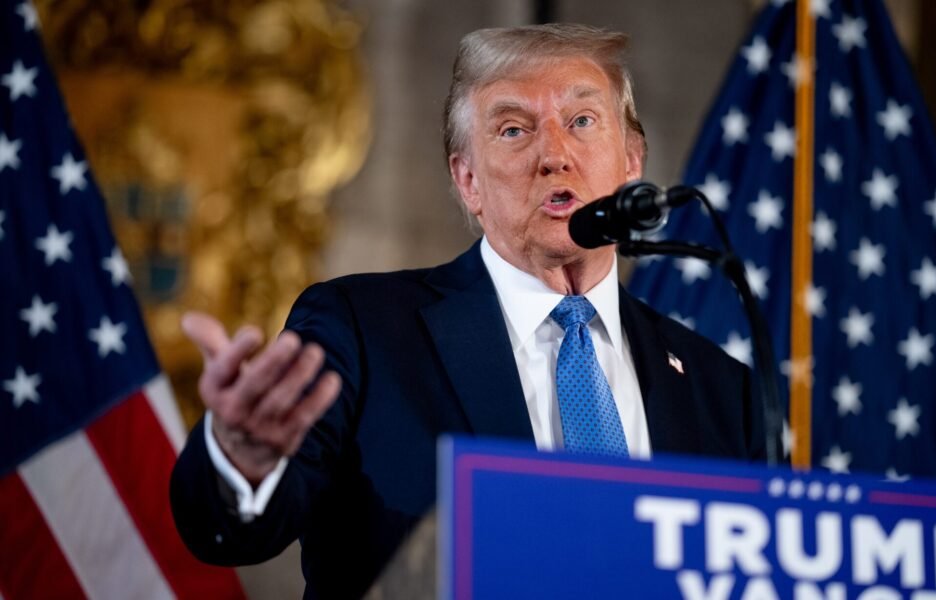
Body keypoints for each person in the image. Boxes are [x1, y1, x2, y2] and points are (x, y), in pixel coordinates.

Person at [170, 23, 763, 599]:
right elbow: (234, 534)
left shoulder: (719, 389)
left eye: (582, 121)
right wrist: (241, 462)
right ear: (468, 180)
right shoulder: (361, 328)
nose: (555, 155)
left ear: (632, 160)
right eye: (512, 129)